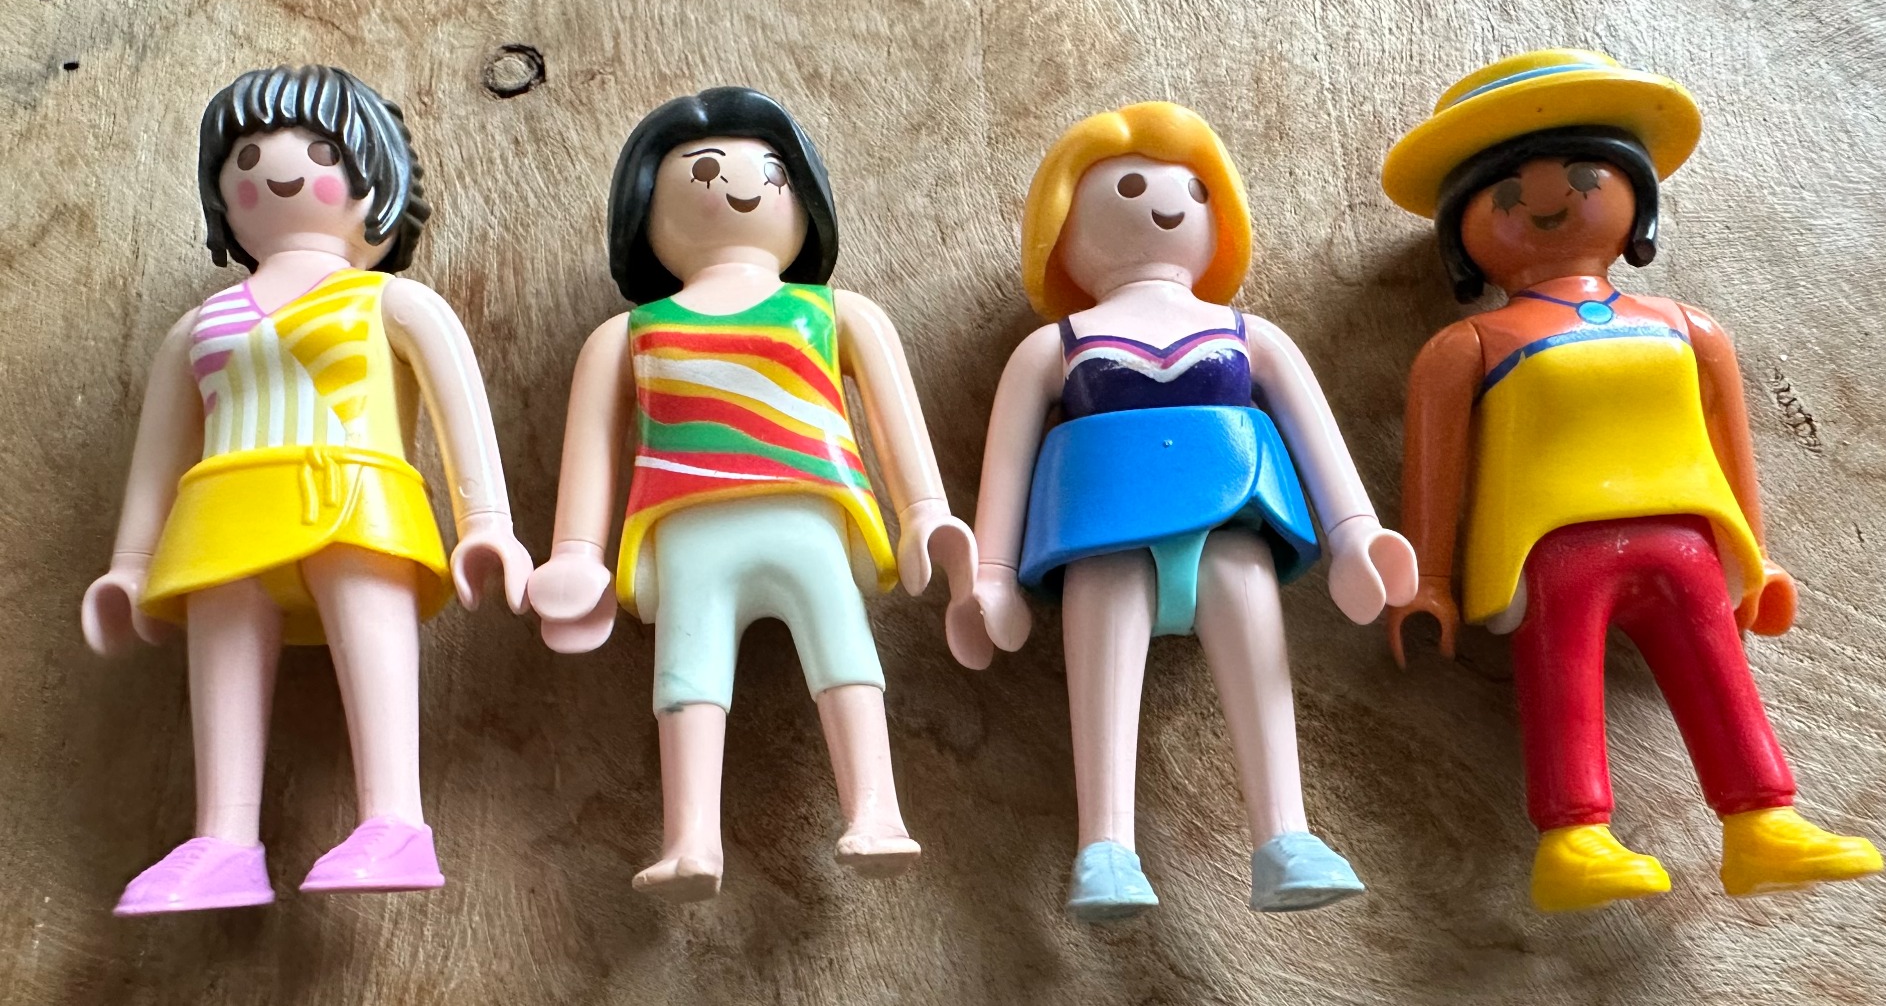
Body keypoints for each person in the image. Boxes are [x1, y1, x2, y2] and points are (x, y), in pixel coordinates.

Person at [1382, 48, 1883, 912]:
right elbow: (1436, 465)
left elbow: (1730, 447)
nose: (1546, 199)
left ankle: (1762, 822)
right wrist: (1426, 577)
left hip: (1688, 539)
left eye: (1583, 175)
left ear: (1635, 194)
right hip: (1550, 548)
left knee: (1719, 669)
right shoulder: (1471, 346)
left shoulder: (1690, 328)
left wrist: (1758, 557)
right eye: (1507, 192)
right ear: (1462, 230)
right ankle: (1573, 837)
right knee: (1561, 678)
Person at [949, 102, 1417, 920]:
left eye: (1194, 190)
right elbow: (1009, 463)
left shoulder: (1249, 333)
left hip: (1232, 528)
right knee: (1102, 679)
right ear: (1062, 222)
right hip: (1103, 539)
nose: (1166, 203)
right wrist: (990, 575)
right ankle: (1104, 847)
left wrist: (1356, 535)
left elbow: (1318, 437)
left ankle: (1286, 835)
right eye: (1128, 188)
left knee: (1258, 659)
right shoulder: (1055, 345)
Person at [81, 64, 531, 915]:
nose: (275, 171)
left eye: (322, 152)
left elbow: (459, 412)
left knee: (370, 632)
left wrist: (488, 524)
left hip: (352, 499)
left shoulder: (391, 302)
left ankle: (395, 819)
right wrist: (129, 566)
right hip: (222, 515)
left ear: (375, 181)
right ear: (219, 192)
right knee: (223, 644)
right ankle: (224, 839)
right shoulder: (200, 326)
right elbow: (158, 455)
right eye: (245, 158)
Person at [527, 87, 975, 901]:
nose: (740, 185)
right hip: (687, 522)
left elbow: (895, 417)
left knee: (844, 648)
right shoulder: (630, 333)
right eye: (702, 171)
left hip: (811, 510)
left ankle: (876, 810)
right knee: (688, 670)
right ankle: (689, 838)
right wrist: (575, 554)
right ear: (644, 208)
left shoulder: (835, 312)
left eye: (772, 171)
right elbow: (590, 446)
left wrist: (926, 515)